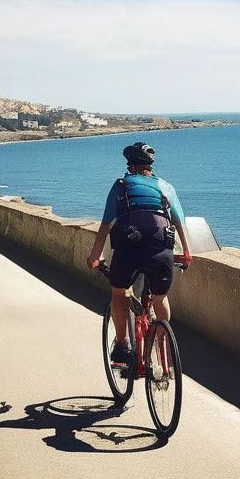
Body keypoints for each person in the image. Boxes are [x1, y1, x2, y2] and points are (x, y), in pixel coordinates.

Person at [87, 142, 192, 371]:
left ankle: (122, 346)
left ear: (130, 166)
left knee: (119, 293)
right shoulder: (165, 186)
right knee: (160, 298)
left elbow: (106, 223)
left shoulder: (121, 185)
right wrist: (186, 252)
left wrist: (95, 256)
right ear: (150, 166)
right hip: (161, 247)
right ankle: (164, 353)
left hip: (129, 248)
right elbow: (179, 221)